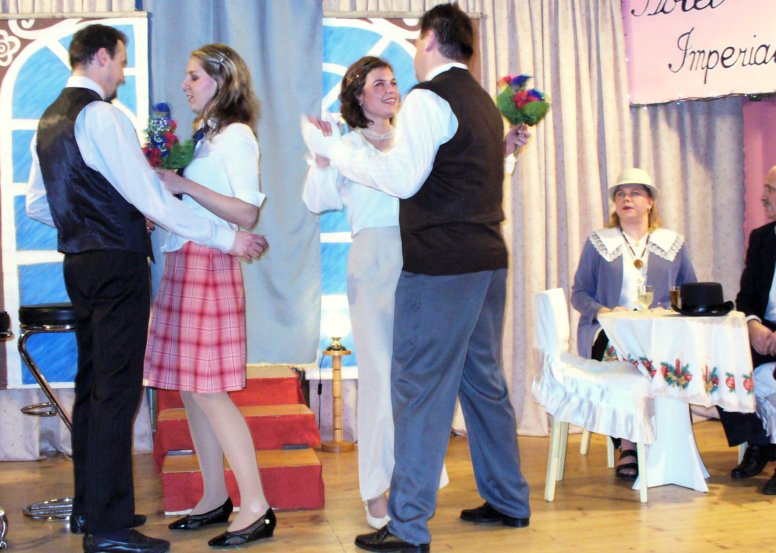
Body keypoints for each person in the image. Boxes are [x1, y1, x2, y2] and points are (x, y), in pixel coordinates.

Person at [25, 25, 266, 553]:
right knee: (115, 391)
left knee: (96, 386)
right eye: (121, 61)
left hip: (81, 261)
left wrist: (89, 223)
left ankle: (94, 509)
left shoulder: (49, 119)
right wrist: (131, 222)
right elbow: (149, 199)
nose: (123, 72)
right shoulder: (102, 115)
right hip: (119, 263)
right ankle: (110, 527)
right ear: (102, 57)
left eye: (194, 76)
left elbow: (39, 205)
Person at [302, 4, 531, 552]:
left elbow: (405, 180)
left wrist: (332, 150)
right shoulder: (481, 100)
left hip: (442, 263)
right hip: (486, 256)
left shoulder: (429, 98)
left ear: (427, 39)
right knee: (483, 383)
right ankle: (508, 499)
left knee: (418, 388)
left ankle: (407, 525)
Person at [302, 56, 448, 530]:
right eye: (378, 83)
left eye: (393, 81)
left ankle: (415, 479)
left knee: (418, 376)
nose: (390, 89)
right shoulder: (346, 145)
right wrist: (321, 158)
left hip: (421, 256)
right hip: (373, 261)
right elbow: (317, 200)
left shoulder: (412, 139)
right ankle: (375, 488)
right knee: (380, 376)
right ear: (358, 96)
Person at [144, 44, 275, 547]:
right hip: (185, 259)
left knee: (209, 391)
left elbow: (246, 213)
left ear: (222, 81)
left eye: (195, 76)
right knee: (190, 389)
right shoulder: (207, 137)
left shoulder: (236, 136)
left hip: (209, 265)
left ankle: (256, 506)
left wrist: (183, 186)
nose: (185, 84)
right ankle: (215, 496)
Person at [571, 167, 696, 480]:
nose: (626, 199)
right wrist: (604, 311)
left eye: (635, 193)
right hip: (611, 332)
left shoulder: (672, 243)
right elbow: (579, 294)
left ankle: (668, 439)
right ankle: (628, 445)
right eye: (620, 194)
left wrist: (670, 312)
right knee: (624, 363)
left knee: (669, 357)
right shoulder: (599, 242)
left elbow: (690, 291)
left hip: (659, 331)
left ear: (650, 201)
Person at [719, 162, 776, 495]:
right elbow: (746, 296)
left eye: (771, 189)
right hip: (766, 329)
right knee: (722, 354)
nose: (763, 195)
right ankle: (759, 441)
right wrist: (753, 324)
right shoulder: (761, 237)